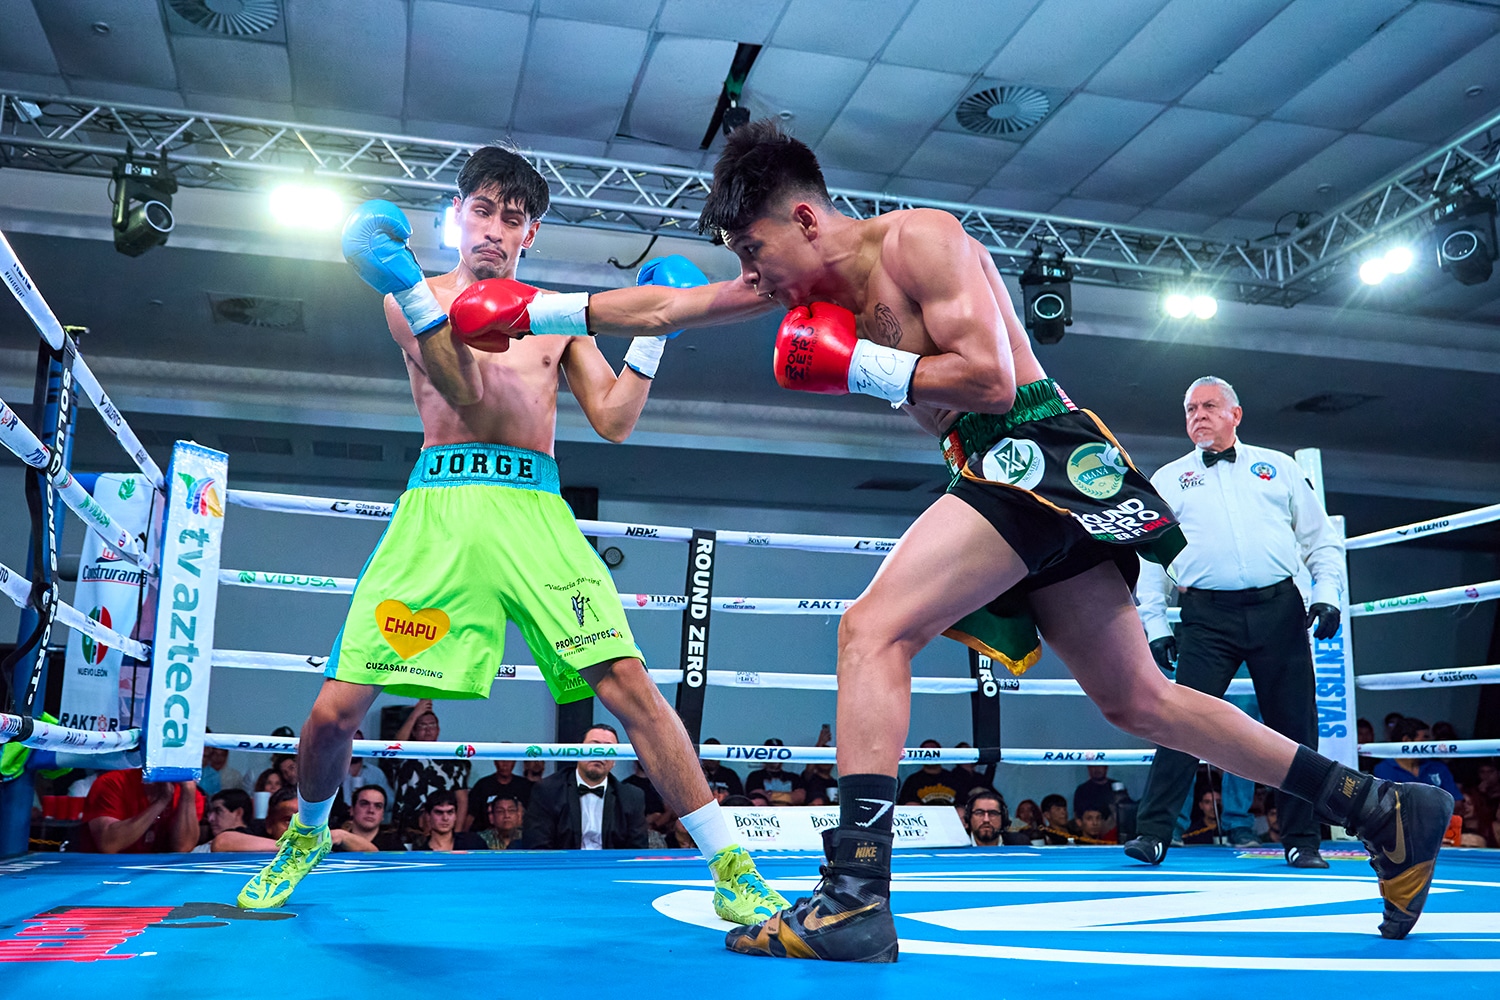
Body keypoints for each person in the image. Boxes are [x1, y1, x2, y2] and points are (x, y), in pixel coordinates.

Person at [444, 120, 1453, 957]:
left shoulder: (920, 241)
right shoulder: (801, 280)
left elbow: (995, 381)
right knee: (1138, 699)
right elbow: (670, 305)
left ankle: (854, 893)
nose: (753, 275)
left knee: (870, 630)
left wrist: (858, 366)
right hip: (998, 468)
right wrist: (536, 309)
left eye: (755, 251)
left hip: (1031, 448)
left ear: (804, 218)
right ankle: (1378, 808)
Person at [238, 144, 784, 925]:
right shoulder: (411, 294)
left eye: (514, 217)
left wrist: (652, 338)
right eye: (484, 210)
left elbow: (615, 421)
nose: (495, 228)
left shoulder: (557, 315)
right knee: (335, 711)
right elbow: (460, 386)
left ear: (532, 232)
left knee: (629, 686)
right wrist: (410, 288)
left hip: (535, 511)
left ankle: (733, 864)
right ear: (458, 215)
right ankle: (307, 833)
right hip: (441, 509)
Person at [1126, 376, 1346, 871]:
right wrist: (1155, 625)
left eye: (1209, 406)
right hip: (1207, 617)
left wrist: (1327, 595)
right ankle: (1153, 834)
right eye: (1190, 409)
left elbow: (1320, 539)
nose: (1198, 416)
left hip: (1279, 610)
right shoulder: (1169, 478)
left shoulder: (1279, 468)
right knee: (1181, 721)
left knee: (1294, 726)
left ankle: (1302, 840)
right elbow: (1150, 559)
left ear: (1235, 415)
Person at [521, 725, 647, 850]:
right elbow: (537, 846)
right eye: (593, 746)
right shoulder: (547, 791)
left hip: (611, 863)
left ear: (614, 760)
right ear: (578, 751)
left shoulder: (631, 797)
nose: (599, 754)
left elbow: (637, 850)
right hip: (564, 863)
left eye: (608, 749)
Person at [382, 702, 470, 840]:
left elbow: (462, 799)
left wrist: (457, 834)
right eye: (422, 726)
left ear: (438, 730)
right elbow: (395, 747)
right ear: (414, 731)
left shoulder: (452, 759)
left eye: (432, 725)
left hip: (442, 829)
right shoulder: (406, 755)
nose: (428, 730)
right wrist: (415, 713)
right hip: (405, 828)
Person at [81, 768, 201, 854]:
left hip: (156, 873)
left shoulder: (189, 792)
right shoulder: (113, 782)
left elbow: (183, 848)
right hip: (103, 871)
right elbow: (109, 845)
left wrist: (188, 792)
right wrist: (160, 802)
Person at [1372, 719, 1461, 799]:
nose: (1430, 743)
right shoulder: (1383, 769)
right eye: (1425, 737)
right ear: (1406, 740)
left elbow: (1456, 801)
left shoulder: (1439, 767)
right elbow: (1388, 805)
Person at [330, 729, 393, 828]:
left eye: (359, 743)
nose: (355, 747)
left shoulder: (375, 773)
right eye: (351, 742)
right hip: (336, 824)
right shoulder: (331, 772)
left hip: (368, 825)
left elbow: (390, 803)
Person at [466, 758, 530, 833]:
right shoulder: (483, 785)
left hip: (518, 834)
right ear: (495, 762)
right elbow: (471, 816)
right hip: (487, 835)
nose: (505, 764)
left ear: (514, 762)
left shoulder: (524, 786)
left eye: (509, 760)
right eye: (501, 760)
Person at [410, 791, 486, 852]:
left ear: (456, 815)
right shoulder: (422, 852)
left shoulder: (473, 842)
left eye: (450, 812)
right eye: (439, 812)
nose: (445, 818)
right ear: (428, 816)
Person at [343, 785, 406, 851]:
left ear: (383, 815)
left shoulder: (395, 847)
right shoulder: (338, 844)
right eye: (364, 804)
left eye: (378, 806)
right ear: (352, 810)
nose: (371, 810)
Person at [897, 740, 960, 805]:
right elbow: (908, 804)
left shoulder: (953, 779)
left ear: (940, 754)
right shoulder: (913, 781)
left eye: (933, 751)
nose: (930, 755)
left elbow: (962, 804)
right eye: (926, 752)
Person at [745, 740, 805, 805]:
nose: (775, 756)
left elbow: (800, 798)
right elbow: (758, 799)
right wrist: (788, 796)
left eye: (779, 753)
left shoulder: (794, 777)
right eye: (771, 753)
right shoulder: (755, 776)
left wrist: (771, 795)